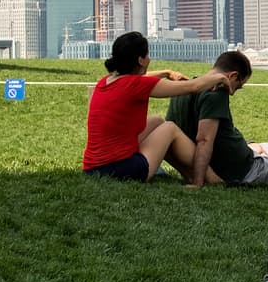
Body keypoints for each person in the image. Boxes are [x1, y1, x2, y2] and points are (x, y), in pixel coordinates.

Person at [81, 31, 228, 181]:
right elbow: (193, 87)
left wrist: (166, 72)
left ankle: (189, 175)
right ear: (140, 60)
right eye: (147, 55)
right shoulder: (138, 85)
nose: (149, 59)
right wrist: (220, 77)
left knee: (157, 121)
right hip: (121, 169)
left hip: (92, 169)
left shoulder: (106, 82)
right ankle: (213, 179)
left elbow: (137, 78)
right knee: (170, 128)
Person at [164, 50, 268, 187]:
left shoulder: (181, 90)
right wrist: (198, 182)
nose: (233, 92)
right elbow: (204, 140)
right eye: (238, 86)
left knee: (264, 150)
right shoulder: (216, 92)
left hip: (237, 158)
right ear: (233, 76)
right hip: (246, 170)